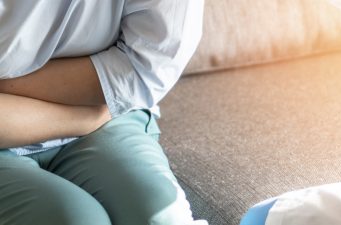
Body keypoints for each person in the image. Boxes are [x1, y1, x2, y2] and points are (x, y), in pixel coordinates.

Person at [0, 1, 207, 225]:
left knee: (160, 217)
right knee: (76, 219)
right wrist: (88, 117)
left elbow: (143, 69)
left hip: (106, 118)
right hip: (96, 110)